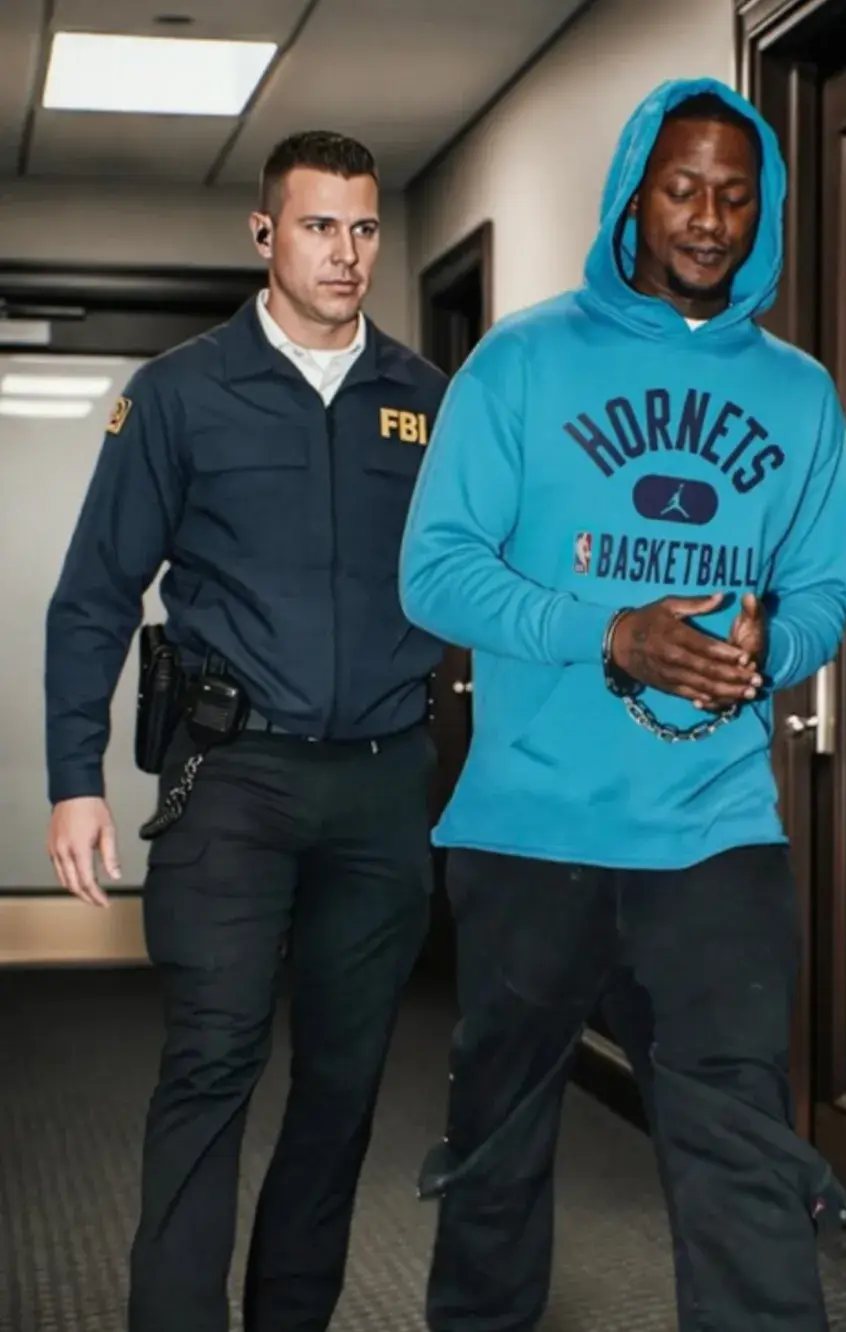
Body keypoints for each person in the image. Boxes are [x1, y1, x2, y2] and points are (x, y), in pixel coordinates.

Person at [399, 76, 846, 1331]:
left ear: (762, 210)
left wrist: (768, 647)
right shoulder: (520, 361)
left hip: (715, 831)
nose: (708, 219)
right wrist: (607, 631)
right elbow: (434, 570)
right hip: (528, 828)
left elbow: (824, 591)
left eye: (734, 195)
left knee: (743, 1158)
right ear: (633, 197)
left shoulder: (801, 394)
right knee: (496, 1152)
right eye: (682, 190)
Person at [44, 130, 447, 1332]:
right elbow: (94, 594)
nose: (346, 252)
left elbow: (479, 571)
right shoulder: (180, 394)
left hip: (382, 787)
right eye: (319, 226)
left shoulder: (425, 399)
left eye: (364, 227)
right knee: (211, 1064)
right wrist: (74, 777)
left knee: (343, 1086)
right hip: (233, 780)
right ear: (265, 234)